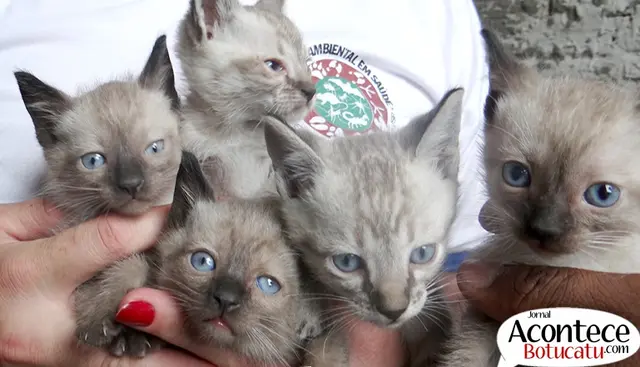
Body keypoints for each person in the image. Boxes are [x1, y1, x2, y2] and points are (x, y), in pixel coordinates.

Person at [7, 1, 636, 367]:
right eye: (280, 67)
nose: (310, 88)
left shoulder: (435, 12)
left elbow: (469, 266)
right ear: (206, 29)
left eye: (303, 66)